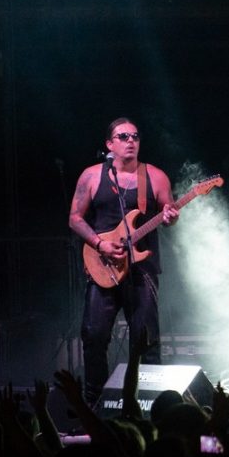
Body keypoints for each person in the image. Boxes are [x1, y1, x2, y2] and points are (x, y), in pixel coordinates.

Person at [69, 118, 180, 399]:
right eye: (123, 136)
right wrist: (100, 244)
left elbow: (168, 214)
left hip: (141, 270)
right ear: (109, 144)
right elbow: (75, 218)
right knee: (94, 335)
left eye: (135, 136)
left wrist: (171, 217)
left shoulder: (155, 176)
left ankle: (150, 402)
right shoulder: (91, 176)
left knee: (146, 339)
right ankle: (95, 402)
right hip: (102, 266)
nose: (131, 141)